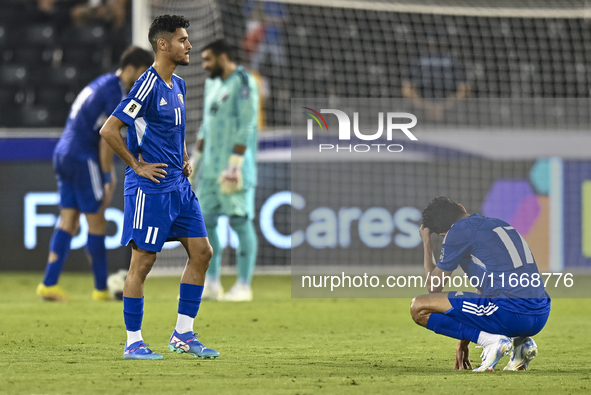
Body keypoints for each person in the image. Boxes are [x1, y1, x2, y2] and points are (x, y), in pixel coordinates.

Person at [100, 14, 219, 360]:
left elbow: (173, 130)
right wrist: (136, 165)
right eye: (183, 40)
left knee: (202, 252)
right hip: (148, 188)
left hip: (178, 186)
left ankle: (183, 334)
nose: (189, 46)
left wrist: (182, 156)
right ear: (163, 45)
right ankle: (133, 342)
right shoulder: (146, 85)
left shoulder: (178, 85)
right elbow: (109, 130)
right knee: (143, 262)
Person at [36, 46, 153, 302]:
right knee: (97, 220)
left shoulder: (102, 82)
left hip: (63, 152)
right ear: (132, 68)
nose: (143, 79)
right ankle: (101, 288)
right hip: (82, 155)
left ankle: (49, 284)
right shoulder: (115, 91)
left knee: (68, 220)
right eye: (143, 73)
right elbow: (105, 138)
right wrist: (108, 175)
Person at [410, 196, 551, 371]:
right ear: (461, 207)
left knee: (418, 307)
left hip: (511, 314)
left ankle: (493, 342)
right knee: (496, 296)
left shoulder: (457, 233)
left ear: (442, 234)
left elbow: (434, 287)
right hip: (540, 314)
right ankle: (521, 344)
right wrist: (464, 341)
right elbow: (484, 289)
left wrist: (426, 242)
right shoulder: (499, 224)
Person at [190, 39, 259, 302]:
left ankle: (243, 285)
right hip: (209, 169)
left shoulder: (243, 82)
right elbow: (206, 126)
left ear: (223, 57)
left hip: (234, 170)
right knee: (204, 225)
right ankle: (212, 283)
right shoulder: (212, 83)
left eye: (208, 59)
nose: (205, 65)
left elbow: (247, 125)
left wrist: (235, 164)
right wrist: (196, 158)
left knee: (240, 222)